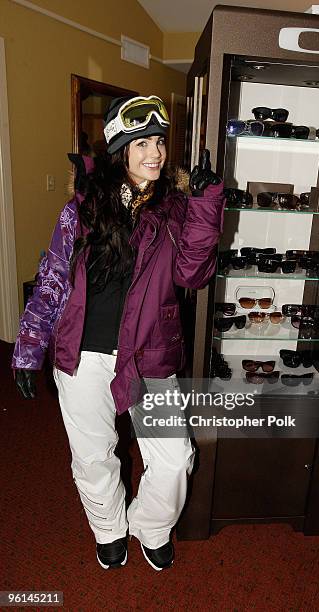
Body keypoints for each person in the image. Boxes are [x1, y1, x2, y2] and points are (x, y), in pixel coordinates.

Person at [12, 95, 225, 571]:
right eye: (142, 143)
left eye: (159, 143)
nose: (155, 153)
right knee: (93, 457)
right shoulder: (81, 209)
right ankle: (109, 529)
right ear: (118, 150)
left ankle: (150, 525)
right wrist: (28, 348)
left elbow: (193, 275)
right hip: (82, 355)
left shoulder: (175, 209)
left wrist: (206, 206)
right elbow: (52, 279)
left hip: (150, 354)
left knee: (173, 459)